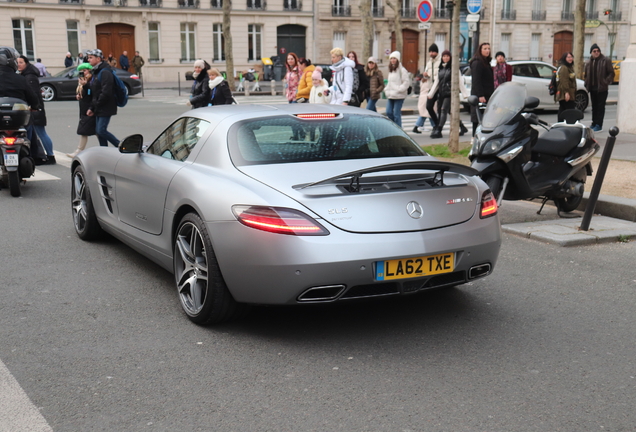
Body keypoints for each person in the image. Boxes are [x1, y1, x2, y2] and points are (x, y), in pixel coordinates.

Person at [0, 47, 45, 165]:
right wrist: (35, 106)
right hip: (18, 120)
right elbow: (33, 98)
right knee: (28, 131)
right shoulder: (20, 79)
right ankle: (30, 155)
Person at [17, 56, 55, 164]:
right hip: (34, 108)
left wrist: (33, 107)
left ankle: (50, 156)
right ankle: (38, 156)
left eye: (21, 62)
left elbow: (33, 94)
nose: (19, 64)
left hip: (35, 109)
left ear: (26, 63)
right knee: (35, 133)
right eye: (17, 62)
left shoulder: (29, 77)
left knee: (41, 133)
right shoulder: (27, 75)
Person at [427, 50, 469, 139]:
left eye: (447, 56)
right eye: (444, 56)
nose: (445, 58)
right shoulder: (441, 68)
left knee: (443, 110)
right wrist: (431, 94)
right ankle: (462, 127)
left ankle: (439, 130)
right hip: (442, 93)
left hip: (450, 93)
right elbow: (437, 83)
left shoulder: (454, 68)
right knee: (450, 111)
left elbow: (460, 81)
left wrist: (465, 94)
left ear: (450, 58)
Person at [86, 49, 120, 147]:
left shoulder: (105, 72)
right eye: (88, 58)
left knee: (101, 130)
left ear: (98, 59)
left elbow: (106, 92)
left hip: (106, 106)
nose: (89, 60)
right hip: (99, 106)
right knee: (99, 131)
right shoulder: (96, 71)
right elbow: (95, 92)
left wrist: (96, 104)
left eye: (91, 57)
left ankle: (120, 145)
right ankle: (104, 150)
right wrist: (92, 108)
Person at [67, 63, 96, 158]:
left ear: (89, 70)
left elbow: (92, 93)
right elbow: (85, 94)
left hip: (90, 108)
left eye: (84, 70)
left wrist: (86, 85)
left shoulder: (91, 80)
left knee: (85, 130)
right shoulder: (83, 81)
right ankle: (80, 149)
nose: (83, 73)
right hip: (85, 107)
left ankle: (79, 150)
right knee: (94, 130)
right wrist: (79, 95)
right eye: (81, 71)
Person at [584, 43, 615, 132]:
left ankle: (599, 124)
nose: (596, 52)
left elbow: (611, 73)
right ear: (591, 52)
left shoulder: (605, 60)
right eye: (594, 51)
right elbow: (586, 75)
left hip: (602, 88)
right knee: (594, 107)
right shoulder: (589, 62)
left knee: (600, 107)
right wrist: (587, 83)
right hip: (592, 88)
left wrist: (605, 82)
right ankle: (594, 123)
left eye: (598, 51)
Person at [414, 44, 440, 133]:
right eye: (430, 52)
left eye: (433, 51)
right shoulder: (429, 63)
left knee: (430, 109)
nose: (431, 53)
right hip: (429, 89)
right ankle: (435, 126)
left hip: (437, 89)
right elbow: (429, 76)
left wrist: (429, 76)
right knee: (429, 108)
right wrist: (425, 75)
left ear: (437, 52)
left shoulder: (439, 62)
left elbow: (438, 76)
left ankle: (434, 125)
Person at [469, 42, 494, 136]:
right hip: (480, 95)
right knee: (477, 118)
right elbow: (476, 80)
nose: (487, 51)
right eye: (485, 49)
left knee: (485, 118)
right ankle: (474, 137)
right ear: (480, 50)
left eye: (488, 48)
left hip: (487, 94)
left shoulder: (486, 62)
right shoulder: (477, 62)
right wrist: (480, 95)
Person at [384, 51, 410, 127]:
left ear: (398, 59)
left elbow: (406, 82)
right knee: (388, 112)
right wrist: (386, 90)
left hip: (399, 96)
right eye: (391, 58)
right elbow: (389, 82)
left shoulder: (402, 70)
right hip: (391, 95)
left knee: (396, 114)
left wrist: (399, 89)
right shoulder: (391, 70)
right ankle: (393, 127)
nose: (392, 60)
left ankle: (399, 130)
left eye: (394, 58)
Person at [555, 52, 577, 122]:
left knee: (563, 109)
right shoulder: (564, 68)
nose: (570, 59)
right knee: (570, 110)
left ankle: (560, 124)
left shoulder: (569, 67)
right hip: (566, 93)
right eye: (568, 57)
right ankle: (569, 124)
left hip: (567, 92)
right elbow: (564, 81)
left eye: (571, 57)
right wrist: (566, 92)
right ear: (565, 58)